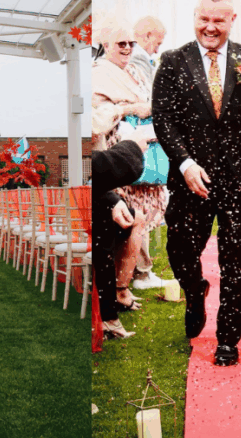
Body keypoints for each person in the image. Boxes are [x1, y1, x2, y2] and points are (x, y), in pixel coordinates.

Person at [152, 0, 241, 367]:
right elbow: (163, 119)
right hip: (190, 180)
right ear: (194, 16)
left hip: (240, 182)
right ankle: (195, 291)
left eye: (219, 20)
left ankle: (228, 338)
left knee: (236, 262)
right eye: (204, 19)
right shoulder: (172, 61)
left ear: (232, 19)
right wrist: (184, 162)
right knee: (180, 252)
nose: (210, 27)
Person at [90, 18, 168, 312]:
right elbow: (97, 120)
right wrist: (128, 108)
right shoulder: (98, 74)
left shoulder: (135, 70)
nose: (126, 48)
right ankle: (122, 286)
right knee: (127, 218)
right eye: (120, 43)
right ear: (106, 45)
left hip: (145, 149)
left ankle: (132, 278)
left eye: (129, 43)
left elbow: (151, 101)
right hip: (116, 154)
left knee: (141, 219)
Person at [92, 103, 154, 341]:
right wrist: (131, 146)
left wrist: (112, 199)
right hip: (90, 211)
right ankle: (109, 313)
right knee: (104, 237)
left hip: (97, 196)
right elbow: (95, 167)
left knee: (130, 218)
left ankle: (119, 293)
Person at [130, 16, 167, 84]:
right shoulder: (138, 59)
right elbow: (150, 90)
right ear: (148, 36)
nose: (156, 52)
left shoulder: (136, 56)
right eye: (157, 44)